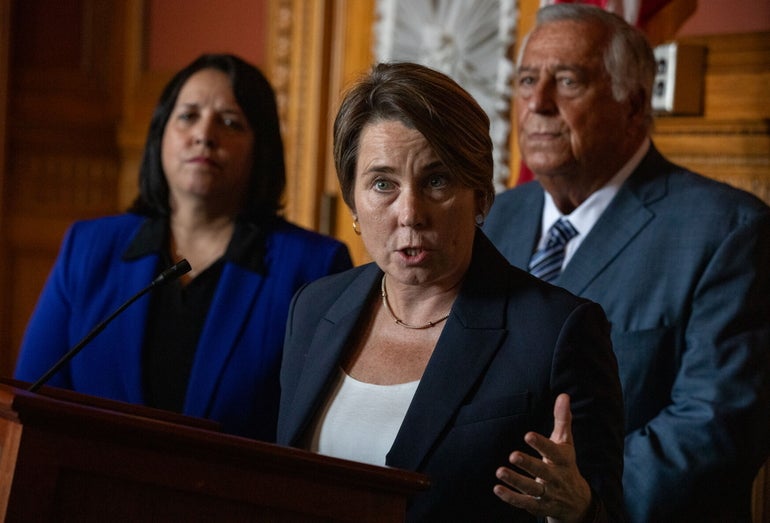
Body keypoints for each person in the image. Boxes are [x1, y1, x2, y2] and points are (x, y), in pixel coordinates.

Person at [276, 61, 625, 522]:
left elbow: (607, 511)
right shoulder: (314, 307)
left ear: (480, 195)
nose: (410, 213)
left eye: (436, 180)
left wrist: (578, 510)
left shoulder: (557, 332)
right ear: (353, 203)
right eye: (383, 183)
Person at [483, 4, 770, 522]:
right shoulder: (492, 218)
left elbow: (714, 425)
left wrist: (583, 503)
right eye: (528, 80)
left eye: (567, 81)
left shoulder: (728, 231)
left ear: (633, 104)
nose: (538, 103)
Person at [14, 53, 353, 441]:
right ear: (161, 133)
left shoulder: (314, 267)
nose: (204, 134)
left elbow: (323, 436)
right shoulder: (89, 248)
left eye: (230, 122)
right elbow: (30, 400)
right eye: (188, 116)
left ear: (261, 149)